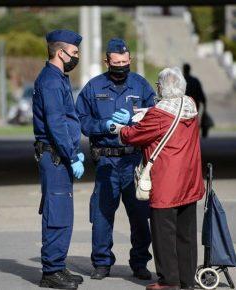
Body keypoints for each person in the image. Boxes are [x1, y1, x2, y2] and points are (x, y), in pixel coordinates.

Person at [109, 67, 205, 290]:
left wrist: (120, 128)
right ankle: (186, 280)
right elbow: (163, 113)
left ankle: (168, 281)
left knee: (163, 235)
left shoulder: (159, 115)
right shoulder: (189, 105)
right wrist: (146, 112)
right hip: (189, 182)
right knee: (186, 234)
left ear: (162, 88)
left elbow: (133, 136)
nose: (157, 89)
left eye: (158, 85)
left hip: (166, 184)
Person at [75, 38, 155, 280]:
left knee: (140, 217)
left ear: (130, 60)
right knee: (101, 216)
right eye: (116, 62)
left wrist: (137, 122)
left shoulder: (141, 86)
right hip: (106, 162)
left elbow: (155, 118)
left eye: (124, 62)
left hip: (133, 161)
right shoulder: (93, 87)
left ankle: (140, 262)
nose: (120, 66)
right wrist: (104, 125)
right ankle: (102, 263)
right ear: (107, 61)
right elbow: (81, 121)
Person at [32, 29, 85, 289]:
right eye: (74, 52)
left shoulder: (58, 77)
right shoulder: (52, 81)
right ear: (60, 52)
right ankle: (50, 271)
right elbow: (56, 124)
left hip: (59, 155)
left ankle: (58, 265)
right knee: (56, 213)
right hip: (55, 156)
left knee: (63, 213)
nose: (77, 57)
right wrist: (72, 154)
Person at [182, 63, 211, 138]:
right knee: (193, 123)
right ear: (189, 70)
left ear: (184, 70)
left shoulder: (181, 80)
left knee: (183, 124)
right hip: (194, 106)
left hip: (182, 106)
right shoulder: (195, 81)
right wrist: (205, 106)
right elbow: (201, 94)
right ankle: (192, 138)